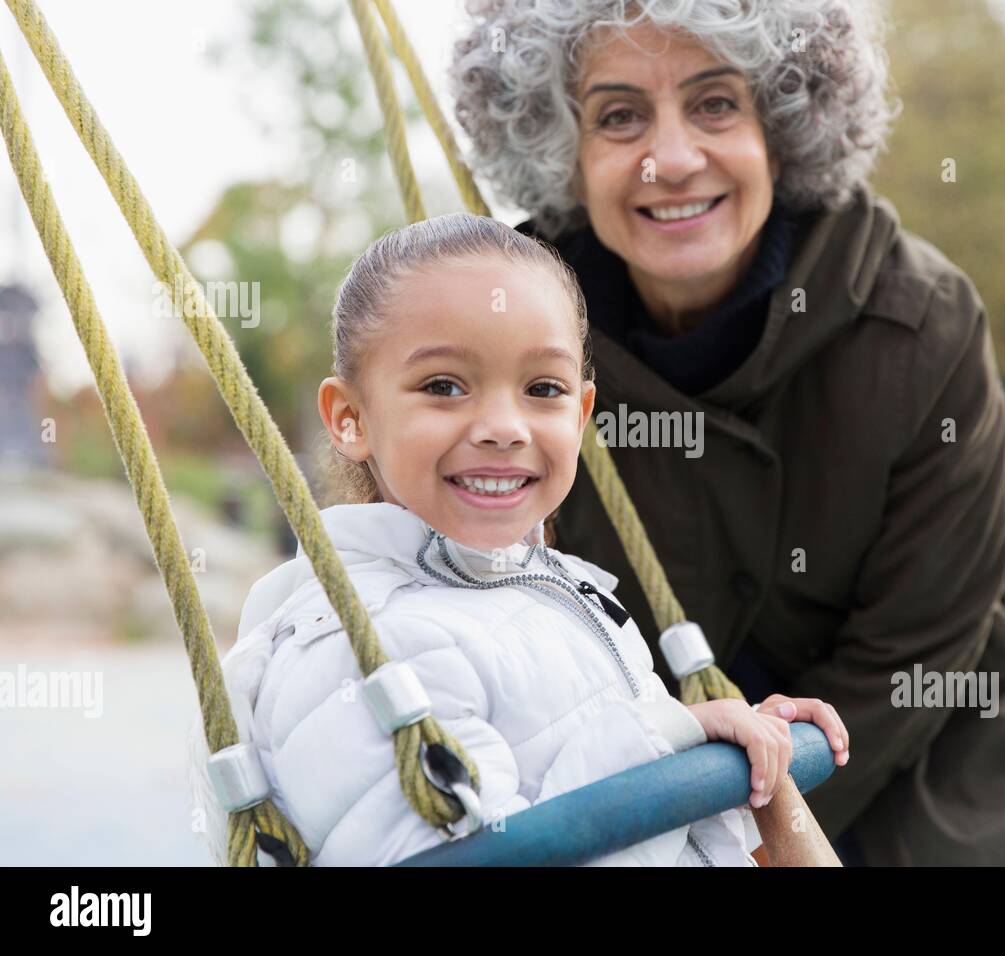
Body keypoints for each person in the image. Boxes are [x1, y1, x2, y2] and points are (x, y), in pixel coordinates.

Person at [450, 0, 1005, 864]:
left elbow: (917, 648)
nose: (671, 160)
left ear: (785, 124)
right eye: (620, 115)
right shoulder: (518, 332)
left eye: (715, 104)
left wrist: (740, 832)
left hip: (922, 768)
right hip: (650, 782)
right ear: (563, 147)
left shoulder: (921, 324)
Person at [187, 213, 850, 866]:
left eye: (543, 388)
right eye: (444, 386)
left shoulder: (558, 588)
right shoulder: (358, 654)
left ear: (582, 413)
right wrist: (675, 735)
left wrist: (736, 753)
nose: (504, 426)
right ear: (350, 418)